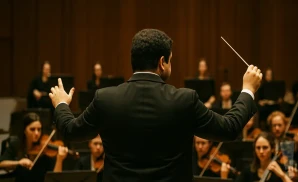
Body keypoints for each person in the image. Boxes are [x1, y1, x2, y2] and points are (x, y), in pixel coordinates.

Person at [48, 29, 262, 182]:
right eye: (170, 60)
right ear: (162, 62)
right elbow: (229, 128)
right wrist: (248, 89)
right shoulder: (184, 100)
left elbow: (70, 130)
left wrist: (61, 104)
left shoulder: (105, 98)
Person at [0, 112, 68, 182]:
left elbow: (55, 179)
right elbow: (1, 163)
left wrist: (59, 159)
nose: (36, 133)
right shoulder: (16, 144)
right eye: (32, 129)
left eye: (39, 129)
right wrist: (19, 162)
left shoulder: (45, 151)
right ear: (24, 130)